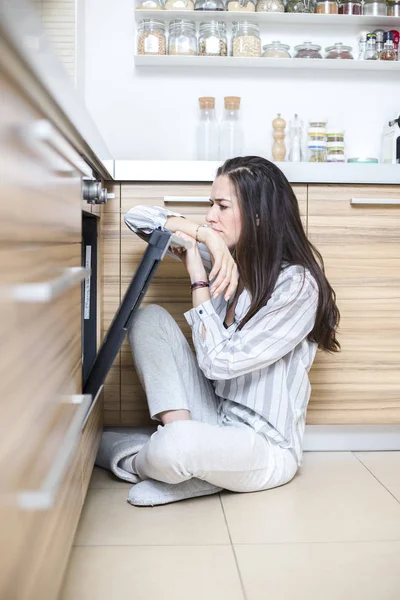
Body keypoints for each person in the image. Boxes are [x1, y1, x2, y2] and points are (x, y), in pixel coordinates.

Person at [95, 156, 340, 507]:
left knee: (171, 448)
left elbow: (216, 365)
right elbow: (137, 217)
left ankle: (141, 459)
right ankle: (181, 451)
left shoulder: (297, 286)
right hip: (213, 414)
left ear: (258, 216)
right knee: (148, 319)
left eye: (222, 206)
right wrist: (205, 236)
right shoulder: (228, 259)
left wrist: (198, 276)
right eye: (211, 204)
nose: (211, 213)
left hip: (264, 445)